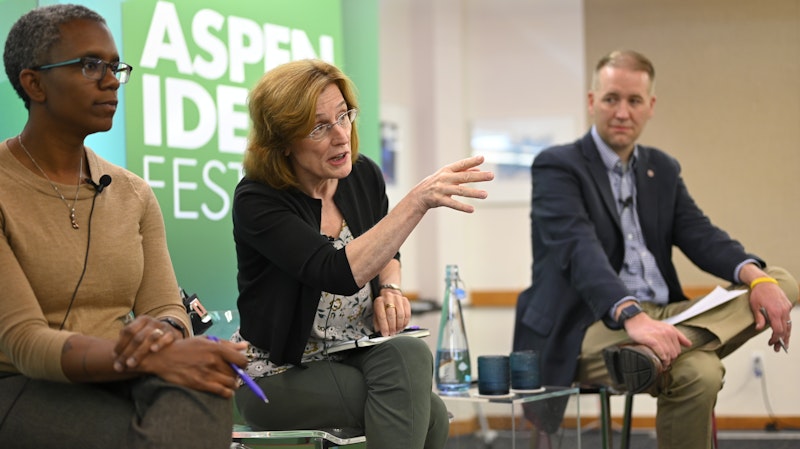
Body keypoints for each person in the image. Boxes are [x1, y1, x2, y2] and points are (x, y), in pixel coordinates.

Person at [512, 49, 798, 449]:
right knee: (700, 372)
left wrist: (757, 278)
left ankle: (658, 348)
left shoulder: (662, 168)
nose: (622, 112)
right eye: (611, 99)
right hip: (588, 323)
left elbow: (701, 235)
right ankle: (658, 346)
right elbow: (579, 250)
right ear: (592, 101)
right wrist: (631, 316)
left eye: (634, 101)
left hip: (664, 316)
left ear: (651, 106)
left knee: (780, 281)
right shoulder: (557, 166)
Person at [0, 5, 248, 448]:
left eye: (114, 67)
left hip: (125, 375)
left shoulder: (133, 193)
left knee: (206, 387)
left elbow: (167, 309)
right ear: (34, 83)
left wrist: (164, 336)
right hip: (22, 384)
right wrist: (143, 358)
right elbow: (25, 343)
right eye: (90, 65)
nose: (112, 80)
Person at [231, 59, 494, 449]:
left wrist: (390, 288)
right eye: (319, 127)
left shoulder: (362, 175)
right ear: (283, 140)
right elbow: (334, 270)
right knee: (428, 410)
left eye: (344, 116)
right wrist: (418, 200)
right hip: (276, 373)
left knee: (410, 356)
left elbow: (385, 248)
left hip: (352, 352)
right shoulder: (258, 199)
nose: (341, 136)